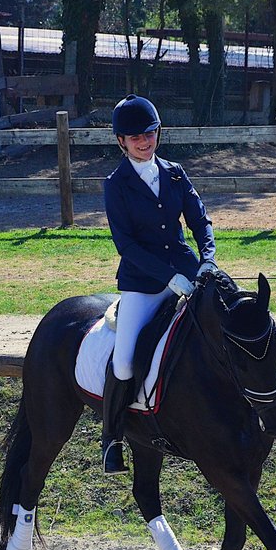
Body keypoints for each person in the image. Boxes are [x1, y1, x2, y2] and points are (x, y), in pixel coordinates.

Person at [100, 93, 219, 474]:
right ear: (121, 141)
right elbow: (126, 245)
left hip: (189, 270)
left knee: (230, 321)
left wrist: (207, 262)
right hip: (142, 282)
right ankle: (113, 438)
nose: (144, 141)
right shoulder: (115, 184)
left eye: (150, 133)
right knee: (122, 363)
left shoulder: (174, 173)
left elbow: (201, 222)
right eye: (135, 137)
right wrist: (168, 278)